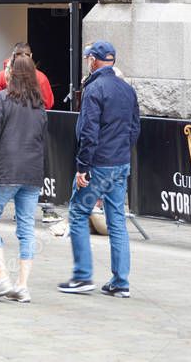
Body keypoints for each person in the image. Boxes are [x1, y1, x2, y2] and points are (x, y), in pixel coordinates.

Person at [58, 41, 140, 297]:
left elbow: (88, 131)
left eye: (87, 59)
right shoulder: (127, 89)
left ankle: (83, 276)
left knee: (78, 213)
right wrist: (122, 152)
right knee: (117, 221)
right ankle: (121, 281)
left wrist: (83, 166)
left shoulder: (95, 89)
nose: (87, 62)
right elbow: (135, 128)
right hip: (120, 162)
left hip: (99, 163)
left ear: (93, 60)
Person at [0, 53, 47, 303]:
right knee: (26, 228)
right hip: (32, 173)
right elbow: (41, 142)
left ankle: (2, 277)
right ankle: (22, 285)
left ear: (12, 74)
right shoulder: (39, 106)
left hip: (4, 171)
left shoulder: (0, 100)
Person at [0, 42, 54, 110]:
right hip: (32, 118)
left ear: (13, 55)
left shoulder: (1, 76)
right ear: (31, 56)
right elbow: (48, 104)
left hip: (8, 118)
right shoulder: (41, 78)